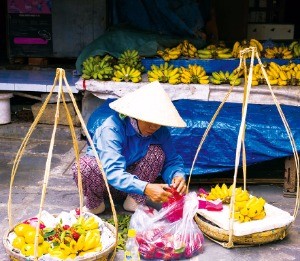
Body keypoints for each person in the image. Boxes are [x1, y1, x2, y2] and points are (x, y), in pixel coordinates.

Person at [71, 81, 187, 214]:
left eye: (158, 123)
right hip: (105, 184)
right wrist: (146, 188)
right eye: (149, 122)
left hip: (133, 187)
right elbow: (113, 172)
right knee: (85, 165)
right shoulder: (111, 128)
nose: (154, 127)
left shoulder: (160, 131)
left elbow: (172, 160)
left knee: (157, 153)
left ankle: (134, 201)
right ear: (135, 116)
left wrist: (177, 176)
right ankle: (95, 204)